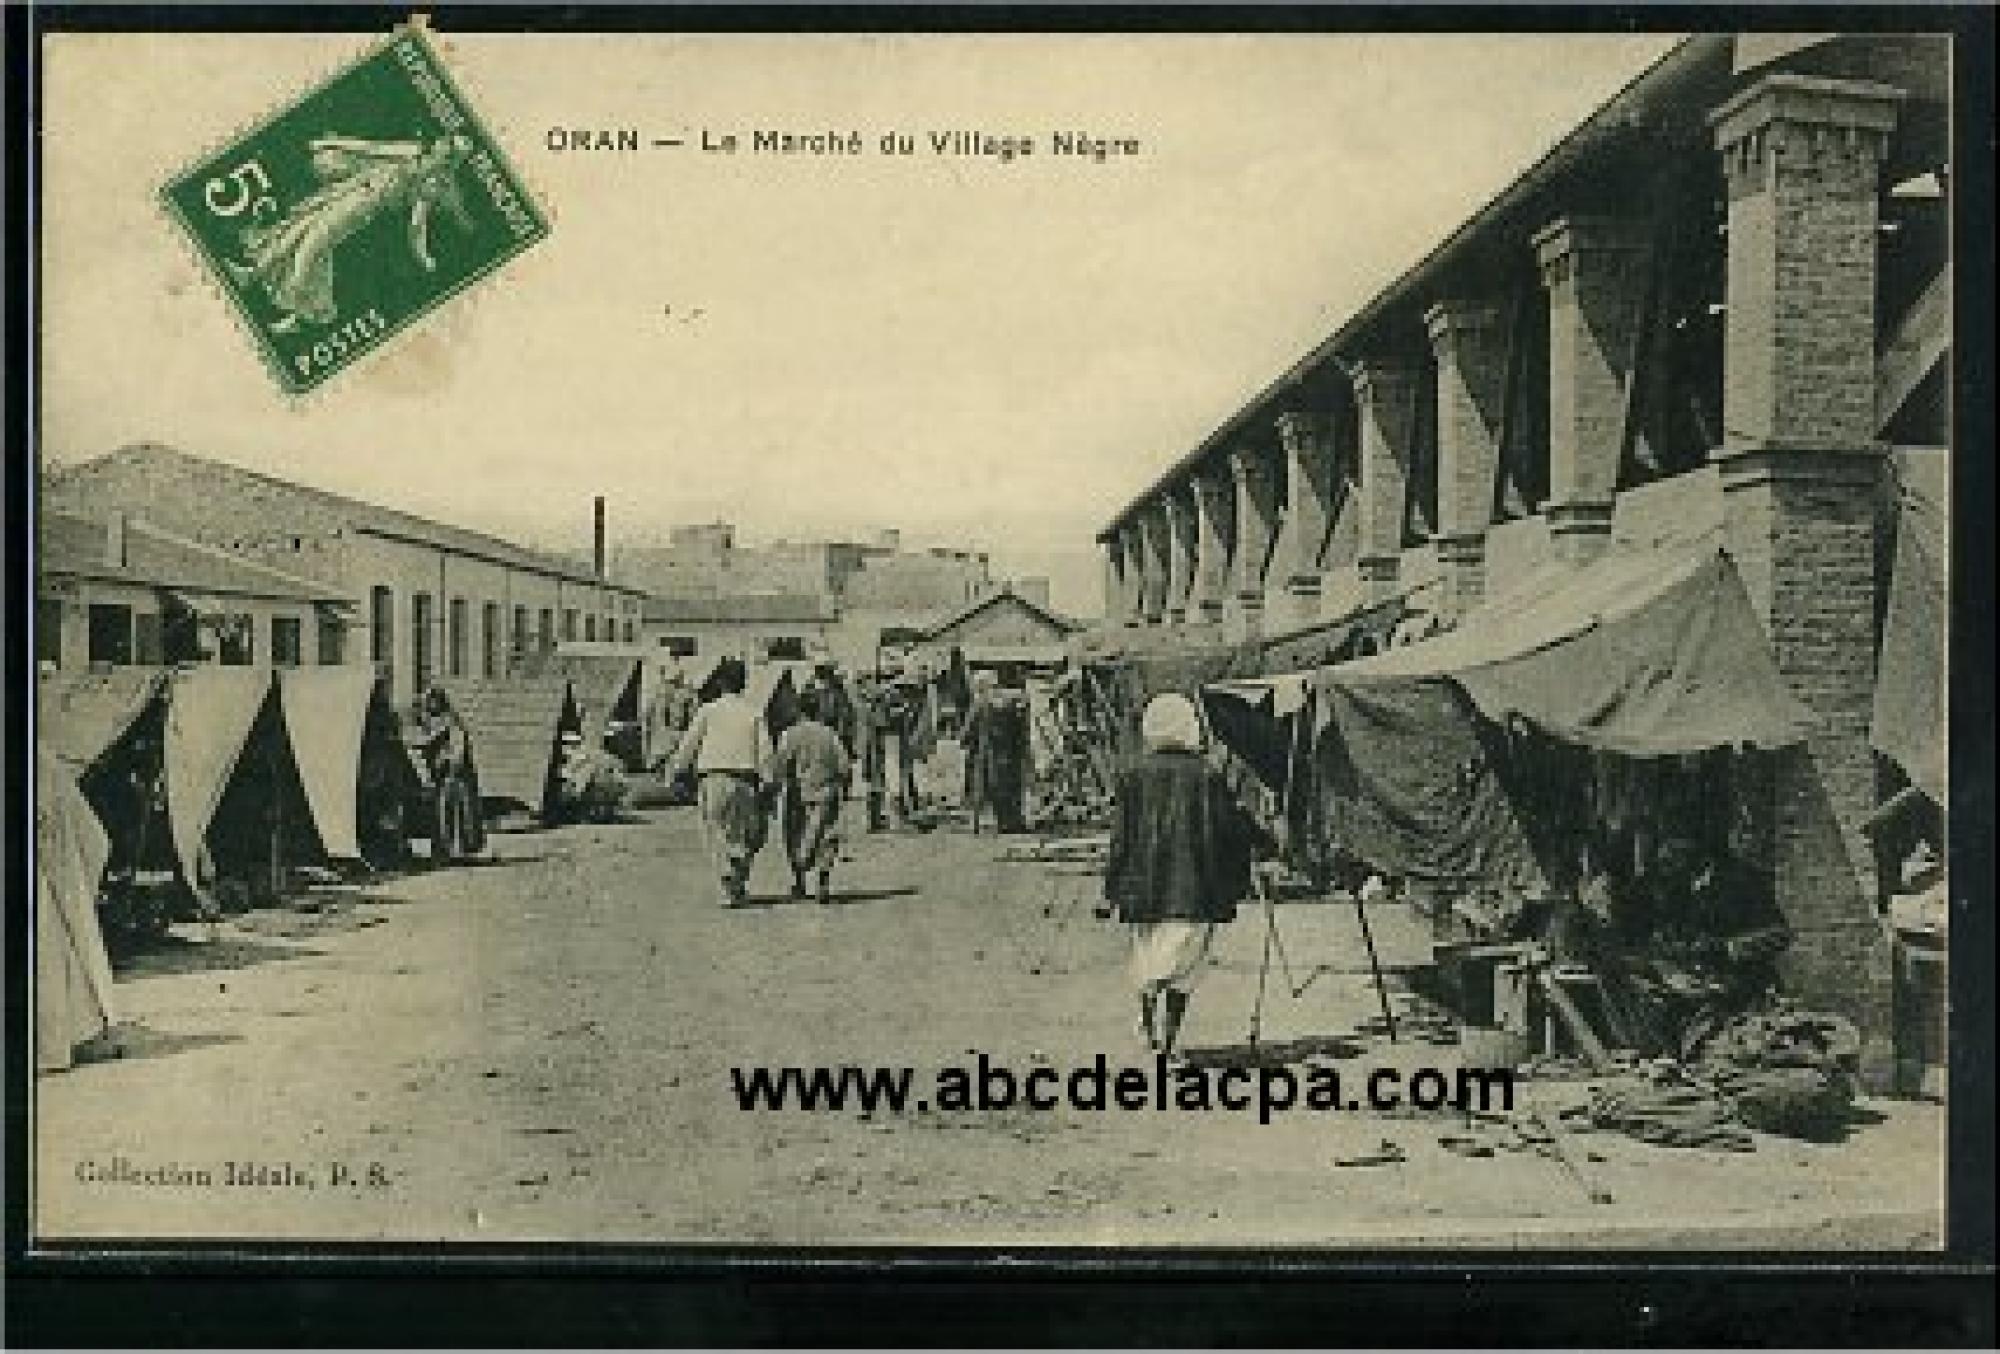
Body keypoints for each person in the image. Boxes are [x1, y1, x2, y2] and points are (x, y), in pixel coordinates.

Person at [1102, 693, 1261, 1059]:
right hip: (1193, 887)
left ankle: (1150, 1028)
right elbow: (1229, 829)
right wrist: (1256, 846)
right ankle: (1168, 1040)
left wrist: (1111, 886)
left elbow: (1121, 837)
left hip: (1144, 887)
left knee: (1147, 955)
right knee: (1184, 966)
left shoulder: (1133, 776)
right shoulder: (1207, 776)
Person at [666, 656, 773, 906]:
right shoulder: (754, 713)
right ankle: (737, 880)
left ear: (721, 683)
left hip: (713, 779)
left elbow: (689, 745)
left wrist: (678, 770)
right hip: (745, 781)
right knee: (745, 833)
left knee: (715, 830)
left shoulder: (708, 711)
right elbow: (765, 752)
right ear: (744, 683)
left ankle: (727, 881)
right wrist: (768, 782)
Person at [769, 688, 853, 903]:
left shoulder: (790, 735)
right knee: (827, 837)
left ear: (799, 709)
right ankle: (822, 882)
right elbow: (844, 766)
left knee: (795, 835)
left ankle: (800, 882)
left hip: (797, 793)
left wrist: (773, 790)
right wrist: (844, 789)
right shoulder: (830, 735)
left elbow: (779, 765)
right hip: (826, 792)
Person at [415, 685, 485, 864]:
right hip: (443, 776)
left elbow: (458, 748)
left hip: (455, 776)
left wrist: (449, 761)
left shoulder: (451, 721)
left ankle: (458, 851)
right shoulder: (433, 722)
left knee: (456, 812)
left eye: (431, 702)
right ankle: (446, 850)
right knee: (444, 813)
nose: (429, 706)